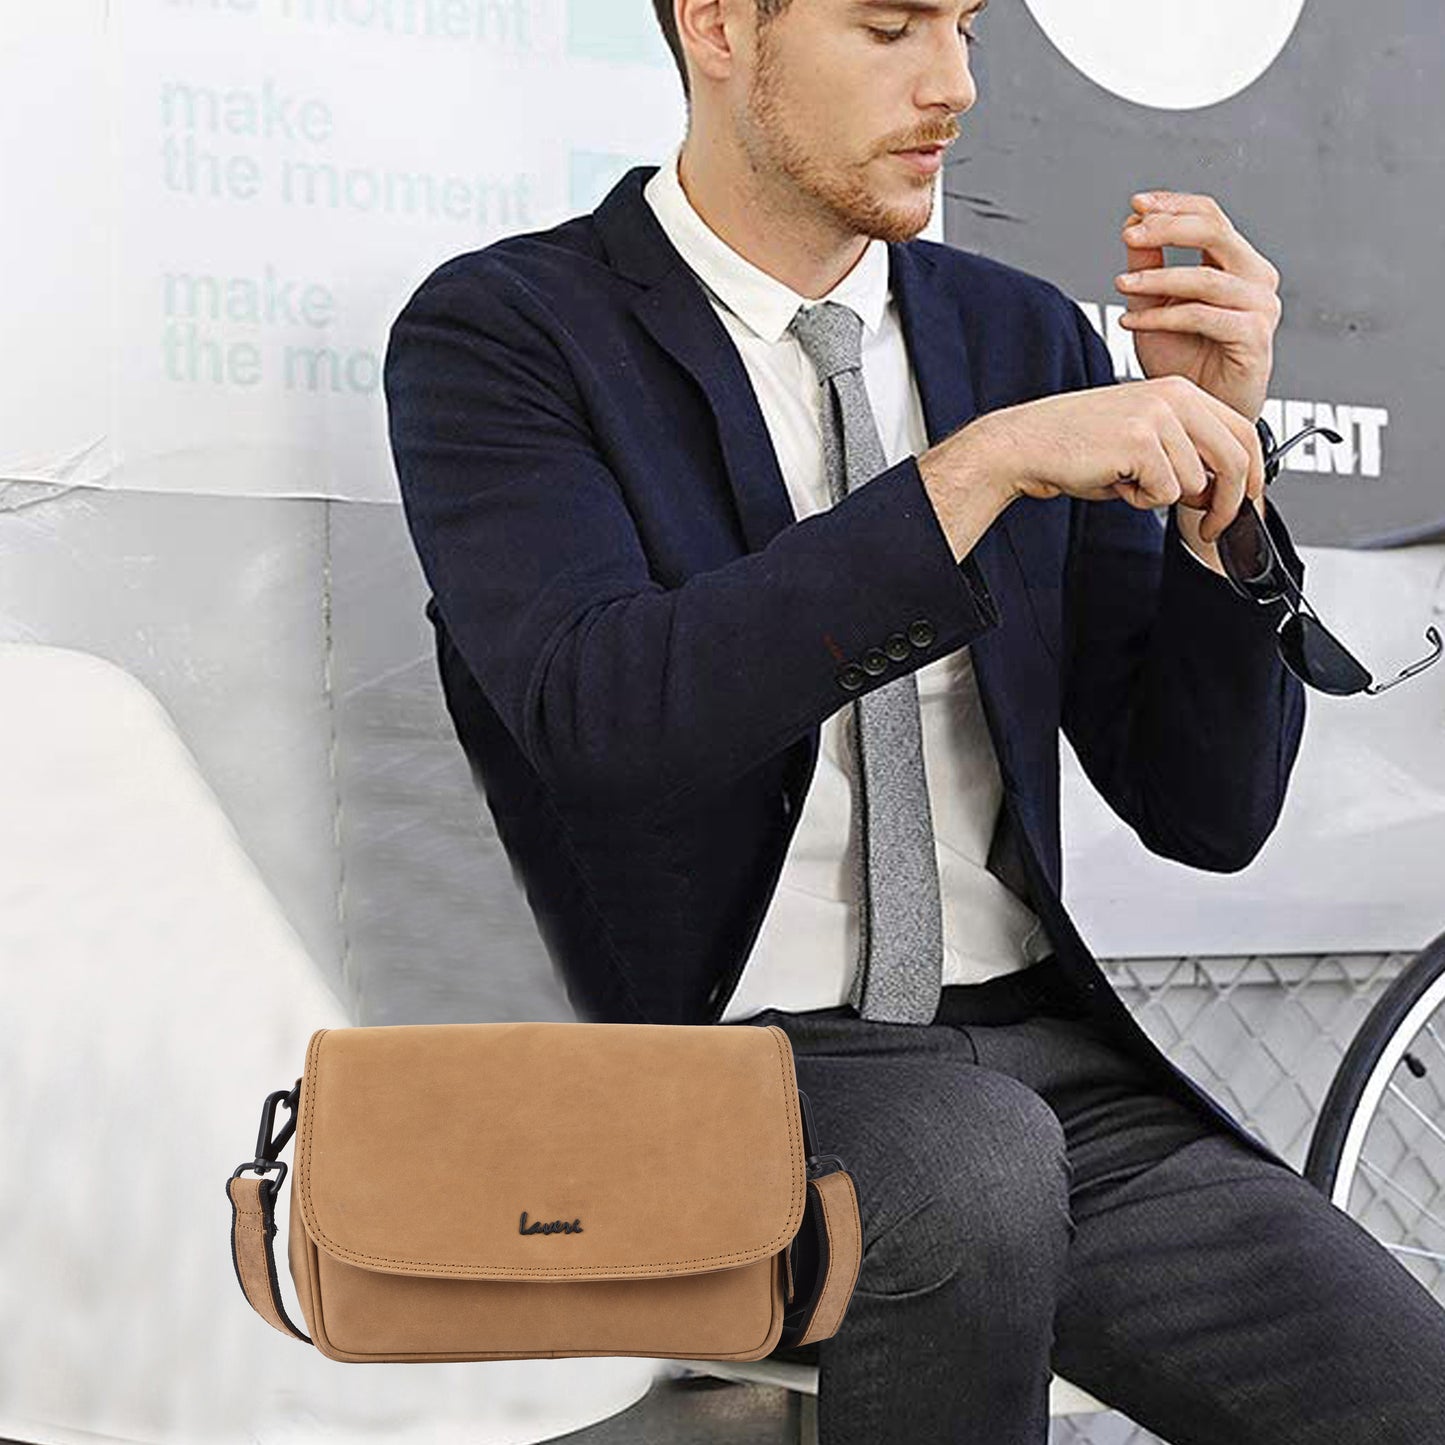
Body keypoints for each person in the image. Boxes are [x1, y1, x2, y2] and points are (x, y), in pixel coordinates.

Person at [382, 1, 1445, 1439]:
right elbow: (609, 719)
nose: (953, 83)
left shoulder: (1016, 334)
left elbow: (1205, 811)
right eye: (890, 26)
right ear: (716, 25)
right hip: (720, 1072)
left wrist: (1222, 490)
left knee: (1402, 1388)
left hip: (1043, 1066)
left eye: (965, 26)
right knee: (969, 1167)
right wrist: (972, 474)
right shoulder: (507, 330)